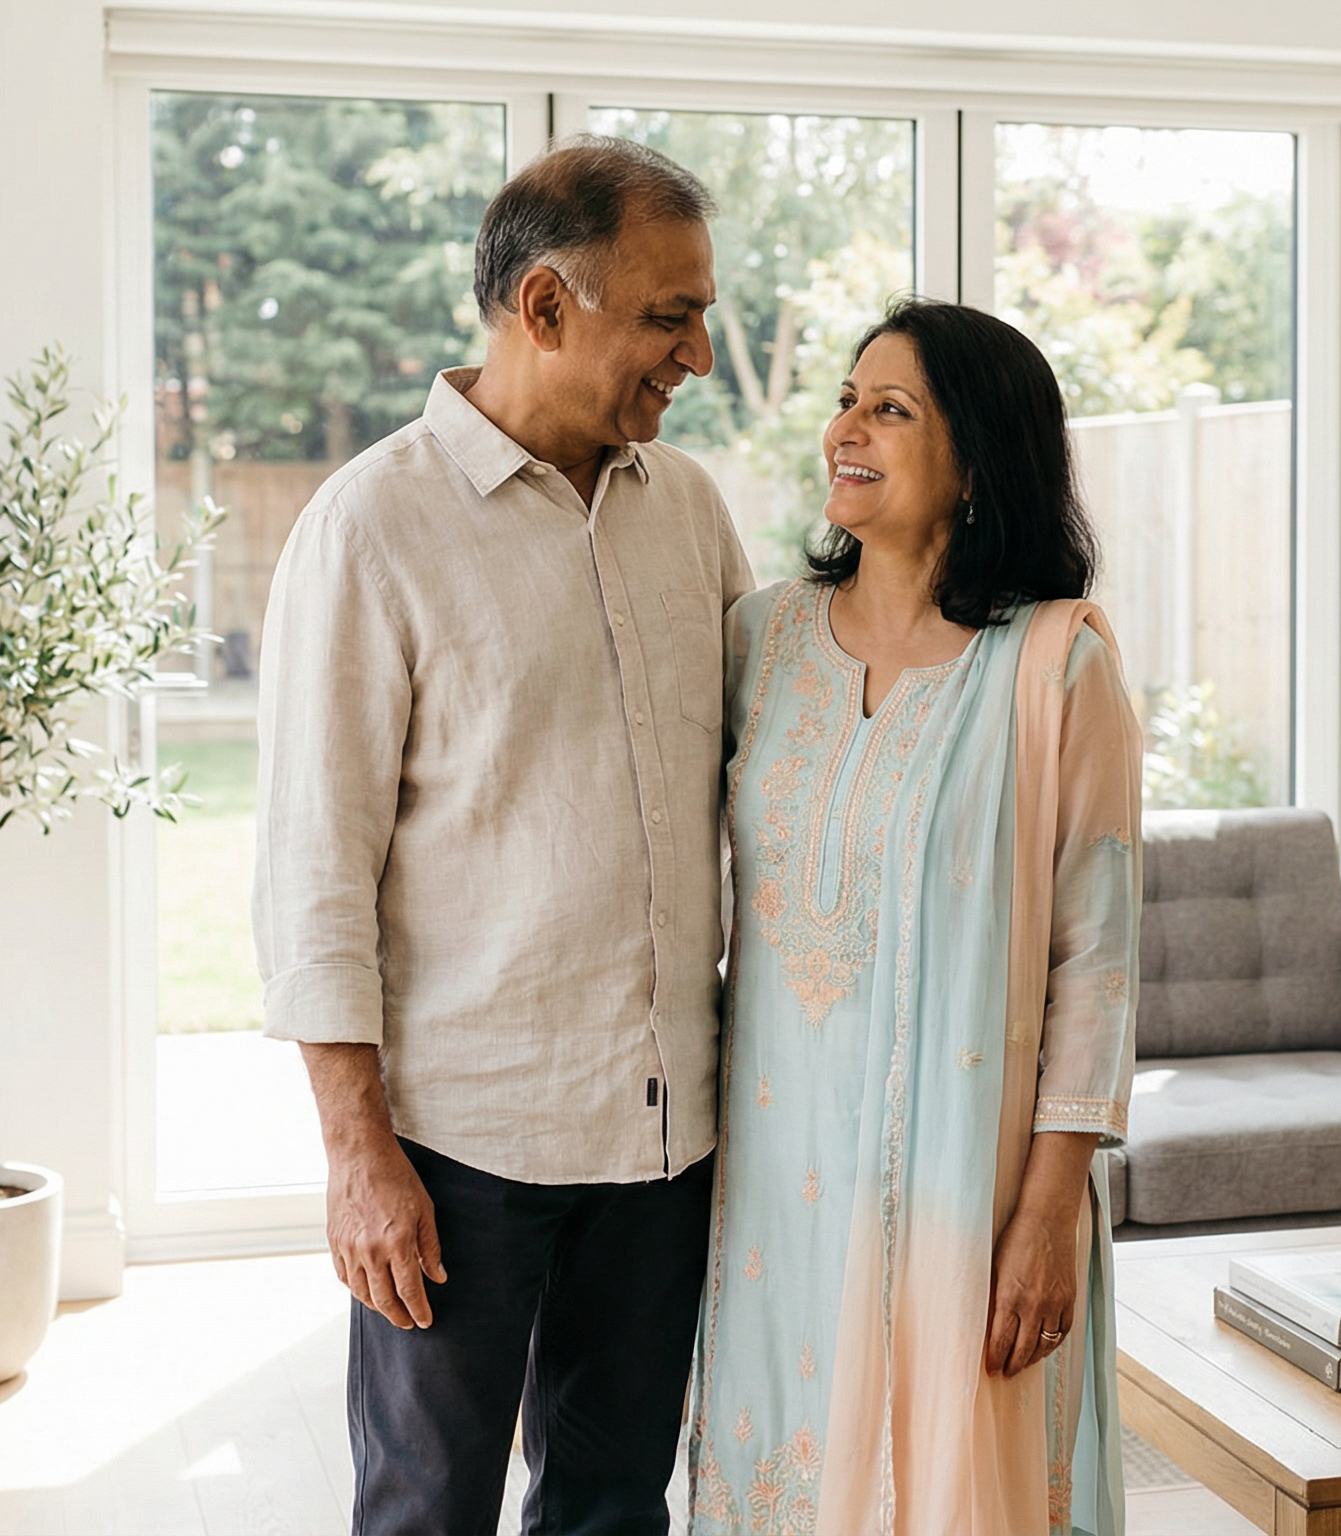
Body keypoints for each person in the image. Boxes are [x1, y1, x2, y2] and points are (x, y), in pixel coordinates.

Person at [253, 135, 753, 1535]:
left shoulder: (692, 512)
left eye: (700, 313)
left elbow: (771, 771)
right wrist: (359, 1157)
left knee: (612, 1505)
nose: (698, 354)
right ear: (545, 307)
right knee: (426, 1510)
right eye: (669, 315)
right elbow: (312, 873)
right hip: (462, 1150)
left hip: (663, 1140)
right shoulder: (372, 529)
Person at [688, 300, 1140, 1535]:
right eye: (846, 398)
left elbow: (1095, 967)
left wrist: (1050, 1210)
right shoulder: (760, 640)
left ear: (980, 460)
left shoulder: (1057, 666)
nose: (847, 427)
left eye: (890, 409)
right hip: (773, 1186)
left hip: (965, 1190)